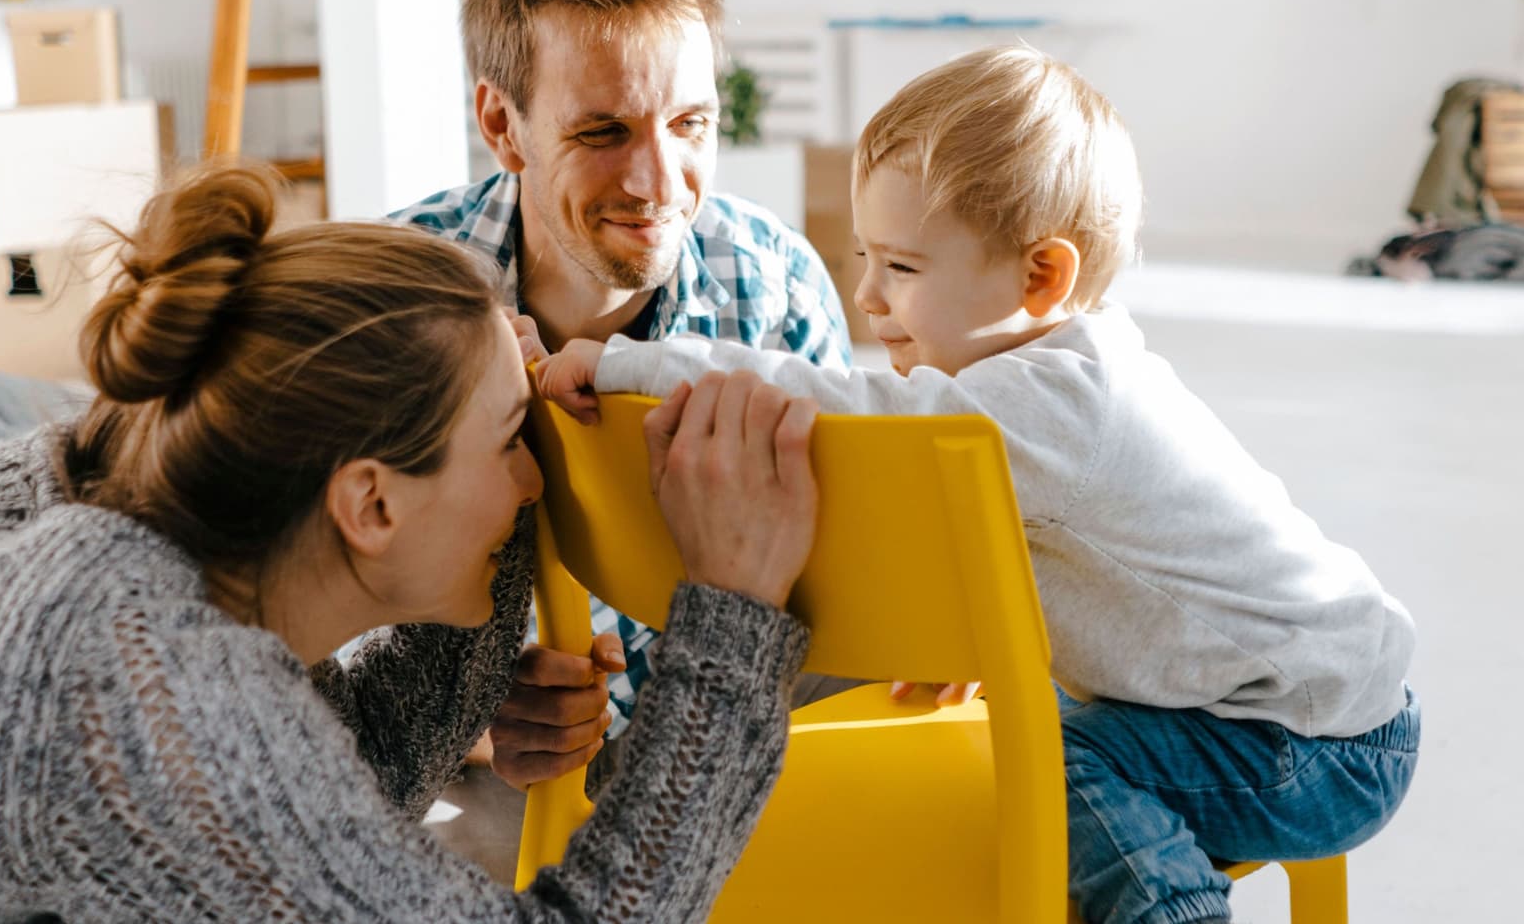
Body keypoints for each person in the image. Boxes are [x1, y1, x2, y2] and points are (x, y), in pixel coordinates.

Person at [0, 165, 824, 922]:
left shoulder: (111, 485)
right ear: (369, 506)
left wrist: (492, 405)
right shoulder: (136, 683)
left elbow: (344, 785)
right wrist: (731, 616)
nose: (533, 479)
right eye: (511, 444)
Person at [536, 45, 1421, 924]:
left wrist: (632, 365)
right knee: (1039, 729)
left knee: (1061, 763)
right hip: (1264, 705)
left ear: (1041, 278)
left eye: (902, 268)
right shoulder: (1029, 389)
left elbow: (843, 407)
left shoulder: (1057, 404)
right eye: (866, 257)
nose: (867, 297)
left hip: (1316, 743)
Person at [391, 0, 851, 783]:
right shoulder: (396, 298)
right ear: (503, 126)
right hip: (503, 792)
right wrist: (465, 719)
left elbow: (840, 586)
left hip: (729, 768)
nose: (659, 183)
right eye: (604, 131)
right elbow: (304, 621)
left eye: (690, 125)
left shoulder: (779, 286)